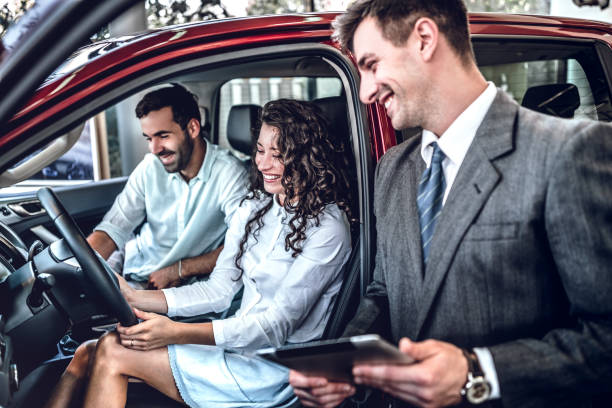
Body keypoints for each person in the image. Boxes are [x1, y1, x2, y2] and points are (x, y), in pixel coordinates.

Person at [289, 1, 612, 407]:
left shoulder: (567, 153)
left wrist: (477, 371)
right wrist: (340, 368)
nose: (365, 91)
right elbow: (383, 294)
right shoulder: (391, 169)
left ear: (425, 39)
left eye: (371, 65)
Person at [45, 99, 353, 408]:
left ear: (306, 157)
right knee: (89, 351)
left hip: (274, 372)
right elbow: (219, 290)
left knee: (113, 351)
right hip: (236, 349)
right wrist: (134, 298)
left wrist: (176, 332)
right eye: (260, 151)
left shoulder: (328, 229)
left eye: (279, 154)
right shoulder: (256, 207)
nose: (263, 164)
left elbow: (273, 327)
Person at [87, 84, 247, 289]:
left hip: (183, 286)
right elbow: (113, 229)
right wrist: (79, 268)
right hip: (133, 269)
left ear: (192, 128)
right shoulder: (149, 167)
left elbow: (244, 245)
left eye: (163, 136)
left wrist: (181, 269)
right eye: (149, 138)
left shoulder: (230, 174)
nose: (154, 149)